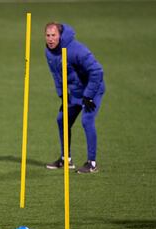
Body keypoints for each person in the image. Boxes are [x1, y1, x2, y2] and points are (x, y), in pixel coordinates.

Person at [44, 22, 105, 174]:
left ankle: (92, 163)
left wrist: (89, 95)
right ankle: (66, 159)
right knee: (62, 120)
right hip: (75, 93)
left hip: (93, 90)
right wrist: (62, 94)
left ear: (60, 35)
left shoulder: (77, 50)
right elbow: (57, 75)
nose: (50, 39)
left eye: (53, 35)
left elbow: (97, 71)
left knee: (87, 120)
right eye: (48, 35)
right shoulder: (49, 52)